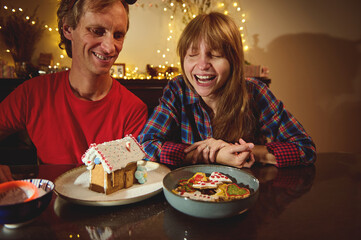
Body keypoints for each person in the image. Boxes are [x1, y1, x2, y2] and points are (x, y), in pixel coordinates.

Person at [138, 12, 316, 168]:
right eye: (192, 55)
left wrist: (244, 153)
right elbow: (145, 145)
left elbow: (305, 149)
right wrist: (211, 154)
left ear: (233, 61)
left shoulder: (255, 92)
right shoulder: (178, 89)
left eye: (215, 55)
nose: (202, 65)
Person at [0, 0, 147, 182]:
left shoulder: (134, 110)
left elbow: (136, 179)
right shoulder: (32, 94)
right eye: (97, 31)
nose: (110, 47)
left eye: (118, 35)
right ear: (68, 29)